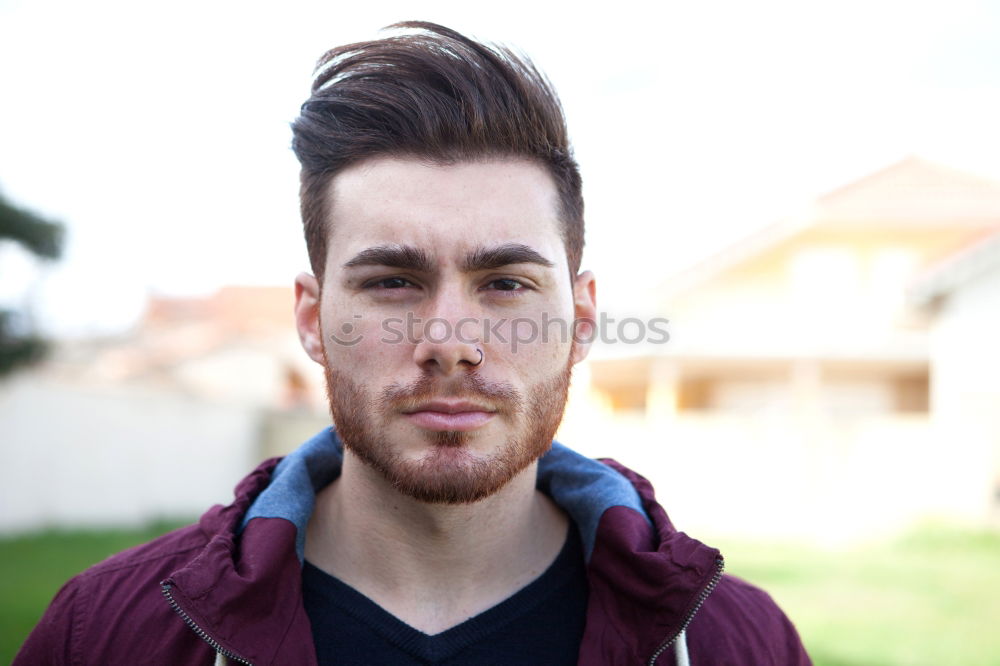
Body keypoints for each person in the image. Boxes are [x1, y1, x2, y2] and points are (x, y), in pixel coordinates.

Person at [16, 21, 811, 666]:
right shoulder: (105, 635)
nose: (450, 342)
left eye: (505, 282)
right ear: (310, 318)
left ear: (584, 317)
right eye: (393, 282)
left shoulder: (735, 644)